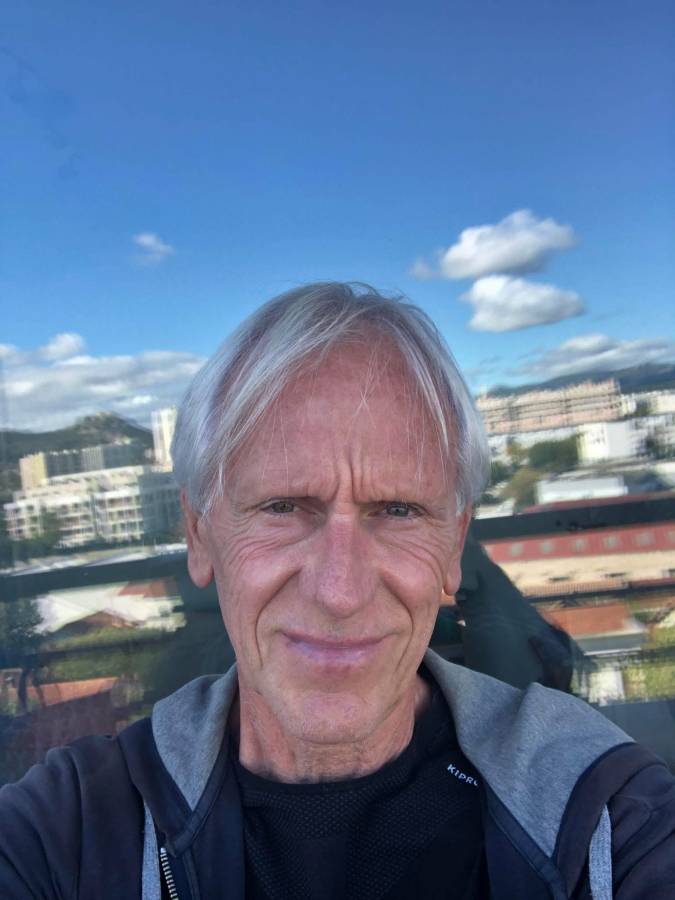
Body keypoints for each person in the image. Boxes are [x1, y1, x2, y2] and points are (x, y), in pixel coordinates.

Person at [1, 283, 674, 899]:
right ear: (199, 535)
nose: (340, 591)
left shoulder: (605, 812)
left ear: (453, 545)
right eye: (282, 507)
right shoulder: (69, 830)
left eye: (399, 510)